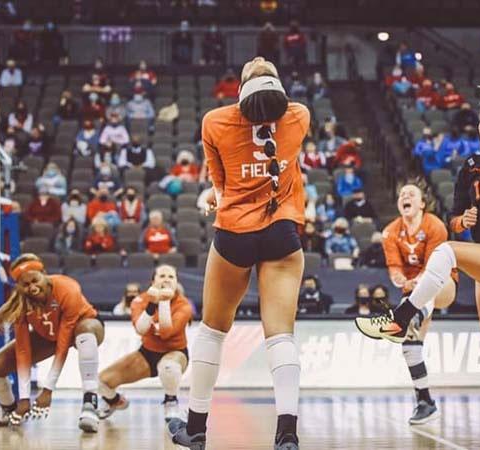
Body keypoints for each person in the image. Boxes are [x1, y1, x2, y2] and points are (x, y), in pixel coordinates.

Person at [355, 50, 480, 449]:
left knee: (447, 252)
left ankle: (400, 319)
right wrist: (459, 222)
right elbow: (452, 216)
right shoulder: (469, 166)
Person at [167, 56, 309, 450]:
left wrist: (217, 194)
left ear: (241, 90)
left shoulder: (215, 121)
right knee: (281, 336)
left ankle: (195, 430)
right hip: (281, 231)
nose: (260, 59)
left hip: (234, 233)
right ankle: (287, 436)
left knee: (212, 330)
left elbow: (223, 181)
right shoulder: (299, 116)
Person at [0, 254, 104, 432]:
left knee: (86, 330)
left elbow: (63, 343)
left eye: (35, 280)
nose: (32, 287)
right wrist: (24, 398)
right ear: (19, 287)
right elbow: (23, 351)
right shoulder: (21, 303)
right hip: (48, 336)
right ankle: (9, 408)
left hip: (82, 326)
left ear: (44, 273)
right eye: (26, 284)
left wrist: (47, 390)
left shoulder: (67, 288)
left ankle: (90, 404)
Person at [377, 183, 459, 423]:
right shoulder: (390, 232)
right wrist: (402, 279)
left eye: (411, 194)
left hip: (444, 284)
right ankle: (425, 401)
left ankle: (413, 314)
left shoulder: (435, 225)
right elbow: (394, 271)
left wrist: (415, 283)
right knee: (410, 347)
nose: (405, 196)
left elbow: (435, 269)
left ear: (422, 203)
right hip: (413, 292)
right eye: (402, 194)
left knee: (429, 287)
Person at [99, 265, 193, 421]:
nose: (166, 280)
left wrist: (163, 301)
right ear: (153, 281)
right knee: (101, 381)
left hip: (175, 353)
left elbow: (166, 333)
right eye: (162, 276)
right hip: (147, 354)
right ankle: (115, 401)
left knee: (169, 367)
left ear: (177, 282)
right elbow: (141, 329)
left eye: (171, 277)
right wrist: (152, 304)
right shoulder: (140, 300)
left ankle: (171, 401)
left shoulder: (184, 305)